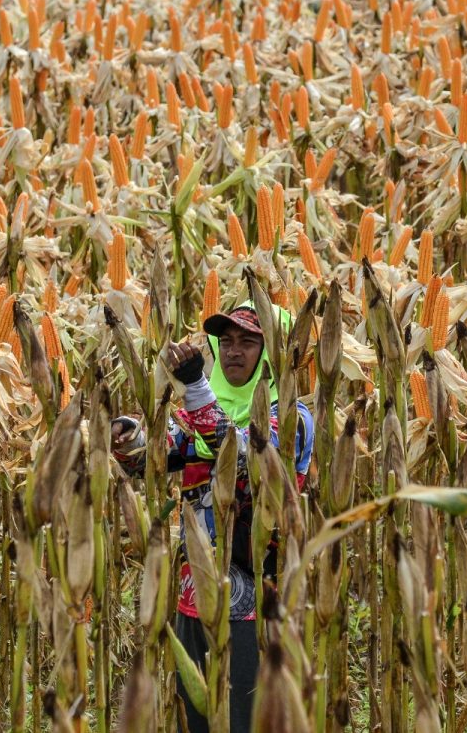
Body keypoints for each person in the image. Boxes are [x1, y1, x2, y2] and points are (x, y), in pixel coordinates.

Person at [111, 303, 314, 733]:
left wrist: (196, 387)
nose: (233, 351)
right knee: (199, 719)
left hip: (257, 604)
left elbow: (243, 457)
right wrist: (124, 432)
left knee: (244, 720)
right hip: (194, 595)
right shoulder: (196, 416)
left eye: (248, 341)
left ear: (274, 352)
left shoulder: (293, 418)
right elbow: (144, 461)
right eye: (226, 342)